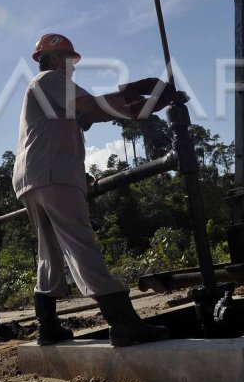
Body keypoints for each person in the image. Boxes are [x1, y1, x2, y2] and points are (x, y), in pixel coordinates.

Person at [12, 33, 181, 347]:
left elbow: (96, 111)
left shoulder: (51, 91)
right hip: (51, 174)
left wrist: (145, 95)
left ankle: (47, 326)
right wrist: (147, 96)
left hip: (32, 178)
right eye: (68, 59)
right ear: (51, 59)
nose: (72, 67)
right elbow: (94, 108)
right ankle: (124, 323)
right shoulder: (49, 80)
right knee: (81, 246)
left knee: (48, 253)